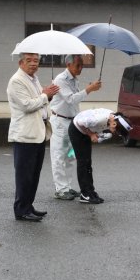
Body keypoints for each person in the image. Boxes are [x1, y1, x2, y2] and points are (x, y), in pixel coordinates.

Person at [7, 52, 59, 221]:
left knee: (34, 174)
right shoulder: (16, 80)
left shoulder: (33, 79)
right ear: (21, 63)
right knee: (24, 175)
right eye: (29, 61)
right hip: (25, 135)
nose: (33, 64)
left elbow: (40, 102)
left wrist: (48, 96)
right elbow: (27, 105)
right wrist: (45, 94)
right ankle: (21, 209)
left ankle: (28, 206)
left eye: (36, 61)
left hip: (39, 132)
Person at [49, 54, 102, 200]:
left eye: (82, 65)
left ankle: (67, 186)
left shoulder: (74, 80)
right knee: (59, 155)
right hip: (59, 121)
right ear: (68, 65)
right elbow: (71, 99)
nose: (81, 68)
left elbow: (74, 102)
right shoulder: (61, 79)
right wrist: (89, 89)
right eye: (78, 65)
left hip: (72, 121)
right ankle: (60, 189)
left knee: (70, 156)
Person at [68, 109, 132, 203]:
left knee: (88, 163)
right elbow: (79, 122)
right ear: (114, 124)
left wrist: (98, 135)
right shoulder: (98, 119)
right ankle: (85, 194)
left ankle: (91, 192)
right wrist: (91, 134)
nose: (115, 133)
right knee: (82, 162)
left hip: (85, 131)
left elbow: (98, 130)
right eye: (117, 131)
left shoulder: (113, 118)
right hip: (76, 130)